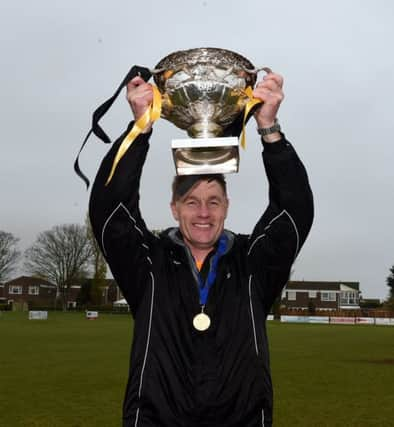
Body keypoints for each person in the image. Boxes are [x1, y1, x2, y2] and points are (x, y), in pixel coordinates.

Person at [89, 70, 314, 427]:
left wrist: (269, 131)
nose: (204, 213)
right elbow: (110, 212)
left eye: (214, 201)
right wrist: (141, 128)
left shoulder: (253, 264)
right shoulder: (149, 264)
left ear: (227, 206)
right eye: (191, 202)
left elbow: (294, 212)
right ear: (174, 208)